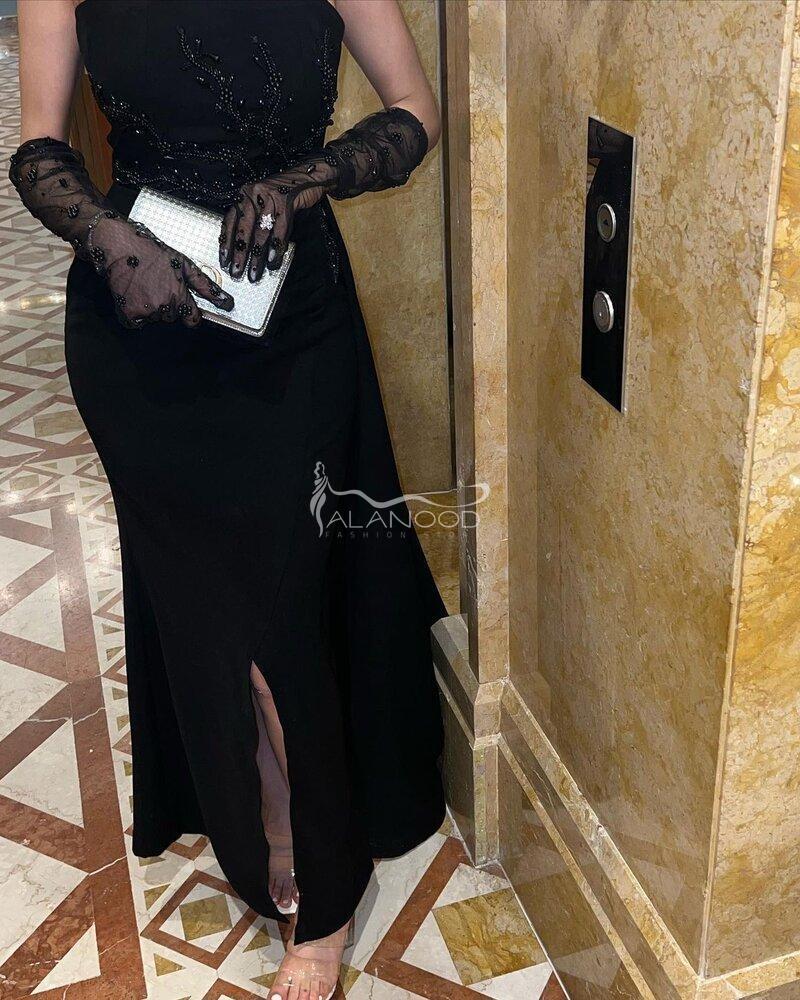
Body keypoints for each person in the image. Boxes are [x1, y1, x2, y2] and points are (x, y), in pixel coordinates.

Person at [10, 2, 447, 997]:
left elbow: (415, 109)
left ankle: (320, 878)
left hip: (292, 322)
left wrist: (308, 178)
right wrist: (105, 237)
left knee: (279, 606)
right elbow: (39, 145)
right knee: (210, 605)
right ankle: (270, 815)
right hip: (139, 323)